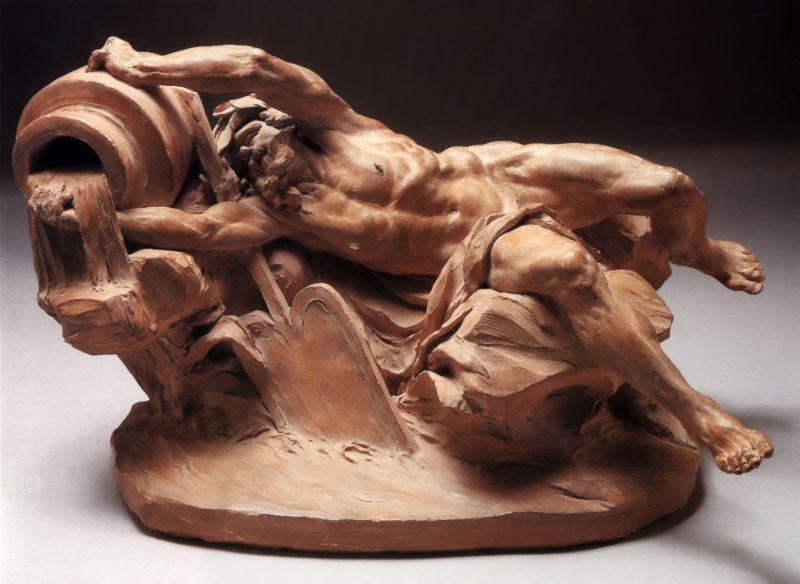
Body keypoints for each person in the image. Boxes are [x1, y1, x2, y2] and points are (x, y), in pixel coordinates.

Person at [65, 37, 773, 473]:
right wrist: (93, 207)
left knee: (668, 187)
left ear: (276, 120)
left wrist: (143, 65)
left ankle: (700, 250)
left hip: (505, 171)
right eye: (238, 152)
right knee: (568, 271)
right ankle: (703, 416)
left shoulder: (336, 125)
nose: (249, 146)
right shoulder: (270, 216)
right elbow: (190, 230)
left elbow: (255, 63)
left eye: (251, 129)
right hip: (482, 242)